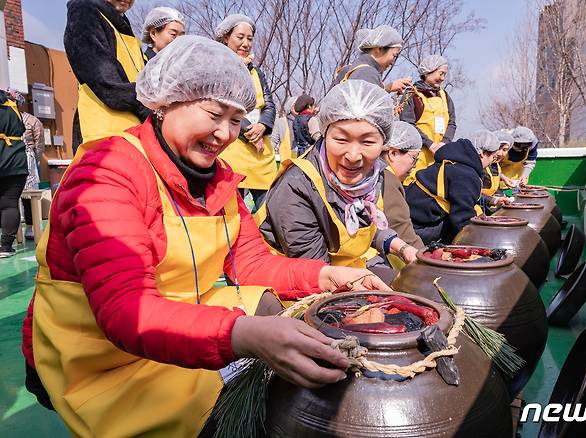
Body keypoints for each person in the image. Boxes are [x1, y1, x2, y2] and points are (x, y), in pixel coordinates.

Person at [21, 36, 389, 437]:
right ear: (165, 102)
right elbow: (127, 312)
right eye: (214, 113)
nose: (225, 133)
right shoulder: (108, 170)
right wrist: (244, 336)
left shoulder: (216, 181)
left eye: (236, 120)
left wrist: (324, 277)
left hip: (174, 318)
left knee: (266, 309)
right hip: (99, 354)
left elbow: (251, 263)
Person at [259, 80, 417, 281]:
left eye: (368, 142)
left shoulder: (371, 178)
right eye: (341, 140)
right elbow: (314, 268)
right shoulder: (298, 186)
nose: (353, 155)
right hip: (292, 282)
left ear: (384, 144)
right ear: (325, 134)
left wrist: (402, 248)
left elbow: (365, 227)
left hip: (341, 270)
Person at [65, 0, 150, 153]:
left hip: (135, 129)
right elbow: (106, 81)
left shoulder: (122, 26)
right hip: (104, 131)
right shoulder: (84, 11)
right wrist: (148, 103)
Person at [215, 14, 277, 210]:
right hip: (233, 146)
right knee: (234, 207)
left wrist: (263, 125)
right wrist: (250, 132)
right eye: (240, 37)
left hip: (261, 150)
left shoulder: (256, 72)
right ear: (226, 38)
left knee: (268, 207)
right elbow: (225, 104)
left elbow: (269, 104)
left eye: (249, 38)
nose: (245, 43)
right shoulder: (219, 67)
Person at [406, 130, 501, 244]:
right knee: (460, 230)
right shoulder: (466, 175)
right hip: (417, 229)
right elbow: (462, 219)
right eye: (493, 157)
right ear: (483, 153)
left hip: (411, 219)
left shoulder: (454, 163)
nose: (491, 162)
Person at [400, 54, 456, 185]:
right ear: (428, 70)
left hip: (439, 155)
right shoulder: (411, 94)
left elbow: (452, 122)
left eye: (444, 74)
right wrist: (429, 144)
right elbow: (407, 124)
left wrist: (444, 143)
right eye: (440, 73)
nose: (443, 78)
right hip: (417, 155)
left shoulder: (445, 95)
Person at [331, 25, 411, 93]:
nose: (392, 62)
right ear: (379, 48)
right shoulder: (367, 72)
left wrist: (387, 88)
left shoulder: (349, 69)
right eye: (394, 55)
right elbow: (366, 108)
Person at [381, 121, 424, 250]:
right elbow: (401, 230)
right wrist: (427, 259)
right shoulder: (387, 179)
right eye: (414, 158)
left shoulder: (375, 172)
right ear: (393, 153)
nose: (415, 165)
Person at [0, 89, 27, 257]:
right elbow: (21, 129)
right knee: (9, 203)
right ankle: (5, 247)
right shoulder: (12, 105)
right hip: (15, 159)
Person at [21, 110, 45, 240]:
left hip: (27, 159)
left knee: (28, 197)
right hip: (8, 158)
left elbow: (39, 143)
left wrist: (35, 160)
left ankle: (30, 227)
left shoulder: (32, 121)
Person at [271, 95, 298, 161]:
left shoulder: (306, 121)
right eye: (295, 104)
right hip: (285, 160)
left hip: (302, 160)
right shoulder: (280, 122)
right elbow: (273, 141)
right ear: (290, 107)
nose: (298, 107)